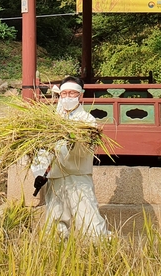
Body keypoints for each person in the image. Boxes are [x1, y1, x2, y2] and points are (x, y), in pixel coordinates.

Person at [31, 76, 109, 239]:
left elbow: (83, 149)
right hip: (56, 177)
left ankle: (100, 250)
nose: (67, 97)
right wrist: (39, 172)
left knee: (89, 220)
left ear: (80, 95)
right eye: (64, 93)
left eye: (72, 93)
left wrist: (70, 138)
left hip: (78, 176)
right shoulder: (51, 121)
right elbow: (42, 149)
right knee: (56, 223)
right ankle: (58, 253)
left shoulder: (87, 121)